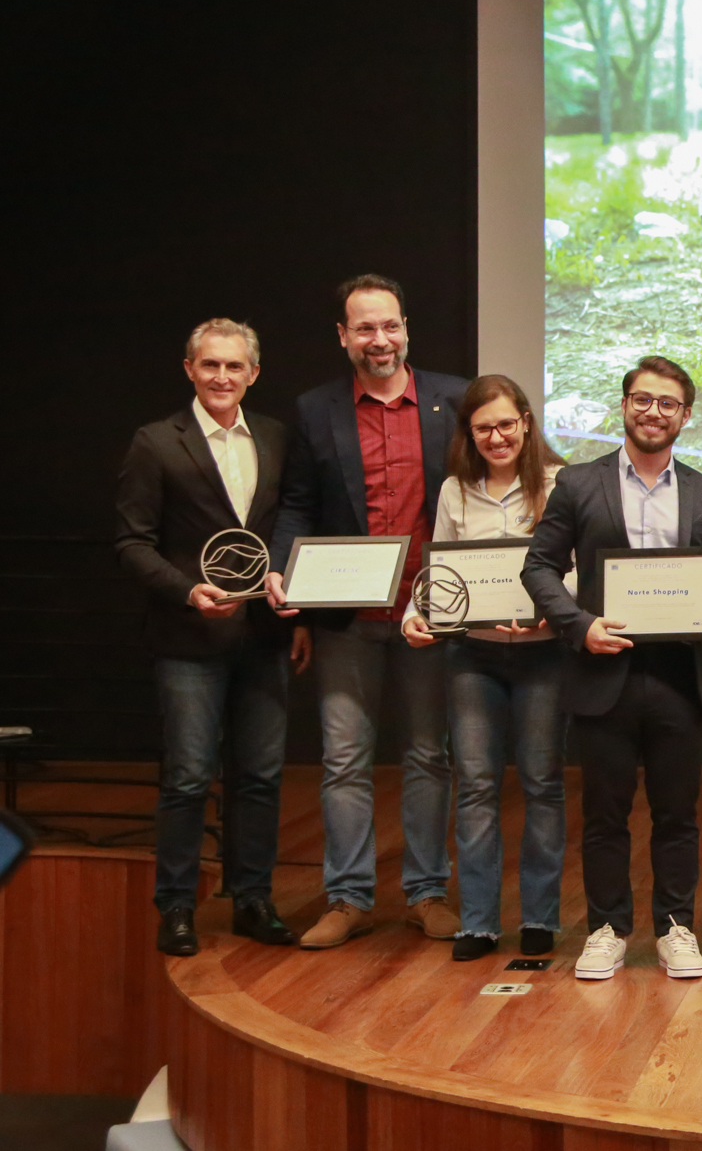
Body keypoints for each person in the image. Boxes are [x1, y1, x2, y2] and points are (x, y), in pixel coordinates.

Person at [522, 356, 702, 981]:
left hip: (677, 675)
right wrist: (577, 625)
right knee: (604, 815)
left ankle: (676, 927)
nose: (654, 412)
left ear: (686, 416)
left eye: (667, 403)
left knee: (677, 814)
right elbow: (539, 566)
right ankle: (607, 928)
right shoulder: (579, 484)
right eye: (642, 400)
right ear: (624, 406)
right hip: (602, 673)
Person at [266, 274, 468, 949]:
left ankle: (426, 892)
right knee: (343, 759)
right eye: (364, 328)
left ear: (406, 328)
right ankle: (347, 898)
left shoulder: (453, 398)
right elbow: (297, 501)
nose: (379, 340)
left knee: (426, 755)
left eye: (390, 326)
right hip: (346, 617)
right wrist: (281, 569)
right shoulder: (315, 407)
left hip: (427, 614)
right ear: (343, 336)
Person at [116, 318, 310, 955]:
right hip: (187, 639)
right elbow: (131, 543)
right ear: (189, 370)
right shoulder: (154, 442)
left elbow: (287, 526)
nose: (222, 377)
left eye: (234, 367)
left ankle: (252, 899)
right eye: (210, 366)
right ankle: (176, 907)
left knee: (259, 776)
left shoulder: (278, 439)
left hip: (262, 637)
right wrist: (185, 591)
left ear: (254, 373)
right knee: (189, 777)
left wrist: (289, 591)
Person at [401, 376, 568, 961]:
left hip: (544, 655)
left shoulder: (560, 483)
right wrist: (414, 616)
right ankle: (477, 921)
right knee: (475, 786)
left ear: (525, 421)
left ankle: (541, 919)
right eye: (483, 429)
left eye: (505, 424)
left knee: (543, 784)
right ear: (468, 435)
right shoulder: (456, 491)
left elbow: (576, 570)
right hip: (473, 655)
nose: (496, 437)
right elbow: (439, 573)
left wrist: (551, 610)